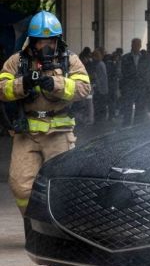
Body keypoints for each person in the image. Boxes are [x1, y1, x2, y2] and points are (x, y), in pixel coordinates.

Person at [0, 11, 91, 214]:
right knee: (20, 186)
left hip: (58, 132)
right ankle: (32, 224)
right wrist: (21, 84)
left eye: (50, 40)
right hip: (26, 133)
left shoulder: (70, 60)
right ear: (32, 41)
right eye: (40, 41)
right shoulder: (17, 61)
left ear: (57, 39)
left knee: (60, 186)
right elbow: (1, 88)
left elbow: (84, 88)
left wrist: (57, 84)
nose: (45, 46)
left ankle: (56, 230)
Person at [119, 38, 145, 126]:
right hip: (129, 86)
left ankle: (137, 126)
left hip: (140, 86)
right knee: (128, 107)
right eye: (135, 44)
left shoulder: (144, 58)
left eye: (138, 45)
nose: (137, 47)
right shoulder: (125, 58)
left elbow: (146, 72)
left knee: (140, 108)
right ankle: (126, 125)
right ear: (132, 45)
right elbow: (122, 72)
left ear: (140, 46)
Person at [90, 48, 108, 123]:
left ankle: (99, 119)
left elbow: (101, 77)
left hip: (99, 88)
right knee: (100, 104)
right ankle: (100, 119)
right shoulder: (100, 64)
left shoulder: (99, 64)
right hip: (100, 88)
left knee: (99, 104)